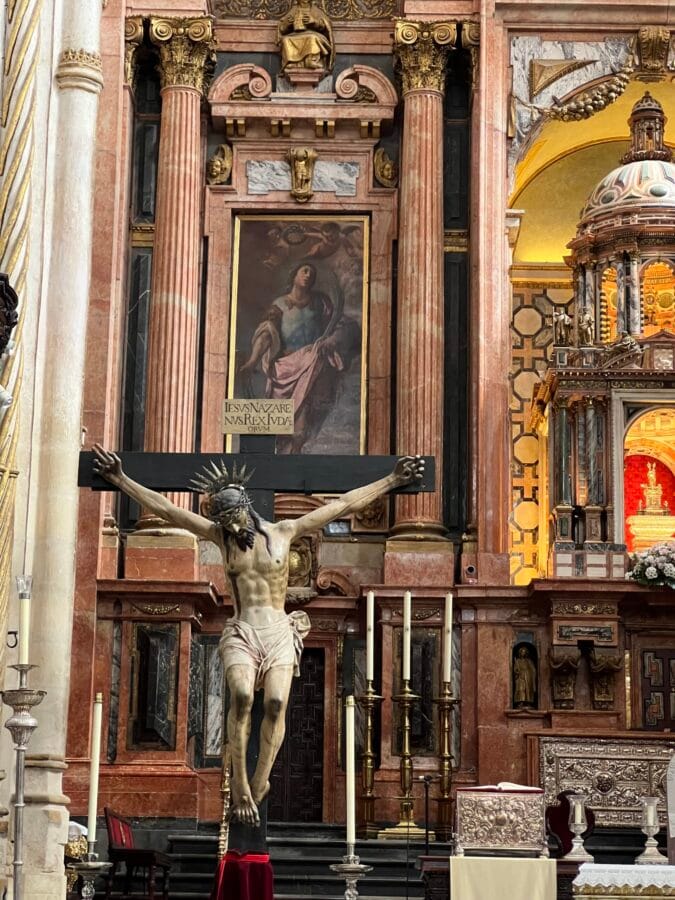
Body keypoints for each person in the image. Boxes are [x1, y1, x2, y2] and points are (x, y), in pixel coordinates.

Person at [92, 444, 424, 827]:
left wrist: (393, 480)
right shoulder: (220, 536)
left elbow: (343, 505)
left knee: (278, 703)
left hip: (279, 630)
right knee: (243, 696)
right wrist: (119, 479)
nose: (231, 529)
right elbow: (168, 511)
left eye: (233, 520)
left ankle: (261, 780)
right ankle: (241, 789)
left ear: (245, 508)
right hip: (243, 629)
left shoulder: (285, 532)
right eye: (224, 522)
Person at [238, 261, 359, 454]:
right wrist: (253, 360)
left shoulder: (321, 302)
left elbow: (338, 324)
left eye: (312, 273)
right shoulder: (279, 305)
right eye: (304, 271)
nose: (308, 275)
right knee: (281, 429)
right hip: (285, 369)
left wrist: (332, 340)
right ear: (294, 276)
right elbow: (266, 333)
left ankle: (295, 456)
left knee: (302, 426)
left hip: (312, 364)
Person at [277, 0, 334, 73]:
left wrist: (314, 22)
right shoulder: (294, 10)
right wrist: (287, 23)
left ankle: (310, 60)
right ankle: (292, 62)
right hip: (296, 34)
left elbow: (326, 25)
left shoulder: (315, 10)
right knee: (285, 40)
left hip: (312, 33)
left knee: (312, 38)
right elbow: (282, 28)